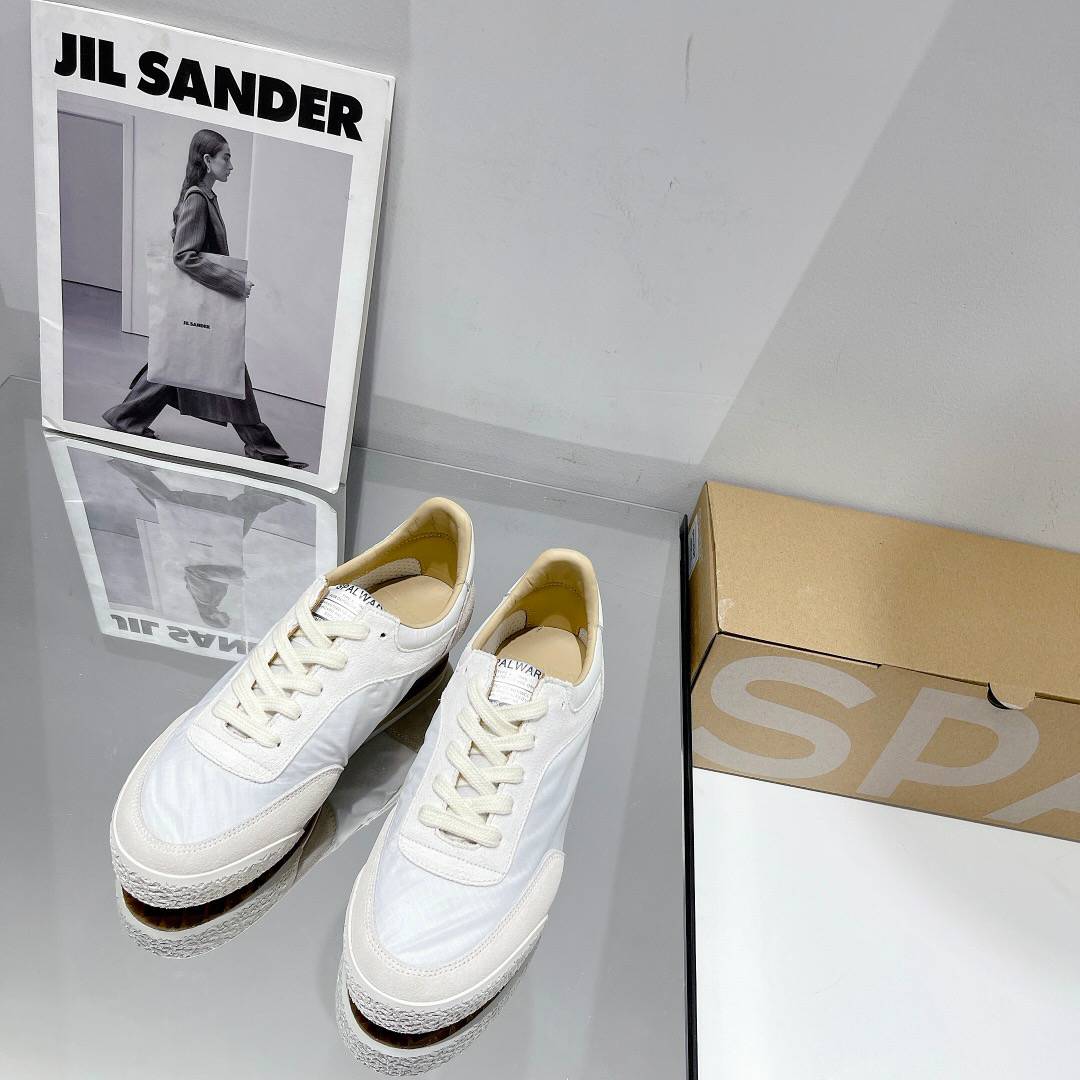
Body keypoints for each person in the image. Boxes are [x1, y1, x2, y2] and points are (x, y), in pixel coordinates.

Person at [103, 129, 307, 469]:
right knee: (225, 371)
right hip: (205, 305)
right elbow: (184, 255)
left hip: (200, 307)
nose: (232, 165)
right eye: (226, 157)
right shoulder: (198, 199)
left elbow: (183, 241)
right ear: (208, 160)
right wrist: (233, 282)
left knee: (174, 367)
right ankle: (261, 447)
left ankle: (126, 417)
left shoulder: (205, 197)